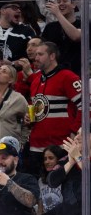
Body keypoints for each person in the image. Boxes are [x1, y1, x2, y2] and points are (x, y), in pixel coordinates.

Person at [26, 41, 81, 177]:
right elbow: (37, 109)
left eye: (40, 54)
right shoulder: (36, 80)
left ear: (52, 56)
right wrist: (28, 118)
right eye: (35, 54)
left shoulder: (68, 77)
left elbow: (86, 107)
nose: (36, 58)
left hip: (60, 146)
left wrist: (74, 131)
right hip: (36, 146)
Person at [46, 128, 87, 215]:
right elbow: (51, 181)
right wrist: (70, 161)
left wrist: (79, 158)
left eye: (83, 133)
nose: (78, 137)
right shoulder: (67, 162)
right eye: (77, 134)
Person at [41, 0, 81, 75]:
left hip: (76, 73)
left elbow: (76, 36)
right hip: (54, 73)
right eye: (58, 2)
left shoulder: (83, 24)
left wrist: (58, 14)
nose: (61, 4)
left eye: (65, 1)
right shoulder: (50, 27)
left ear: (73, 4)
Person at [36, 145, 66, 215]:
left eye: (51, 158)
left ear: (59, 159)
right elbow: (40, 209)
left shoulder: (66, 179)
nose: (47, 162)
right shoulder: (41, 181)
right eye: (45, 159)